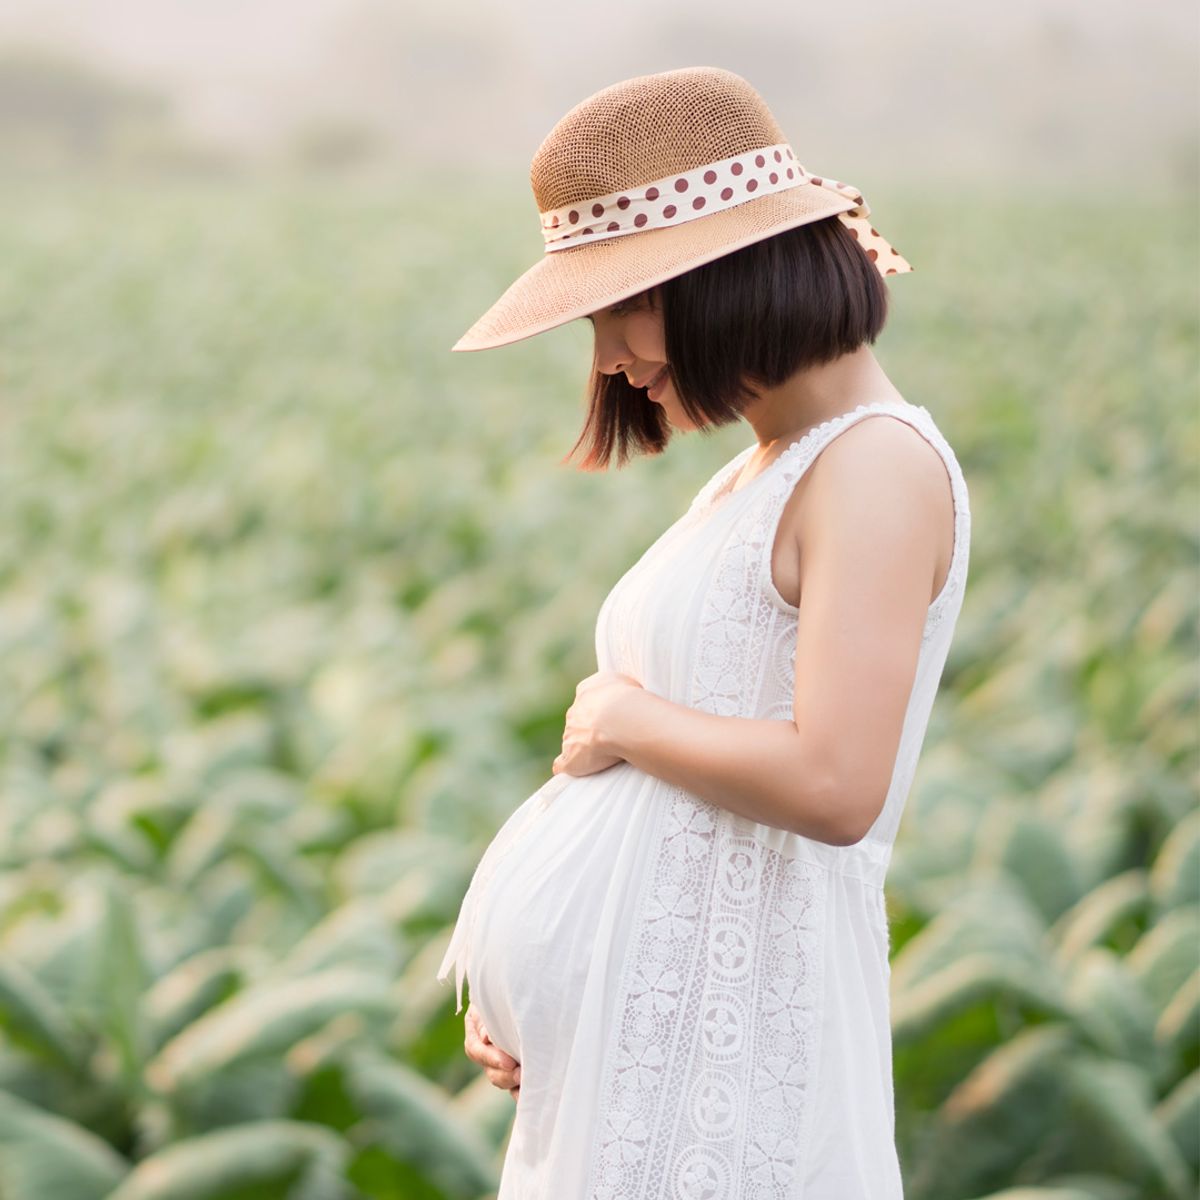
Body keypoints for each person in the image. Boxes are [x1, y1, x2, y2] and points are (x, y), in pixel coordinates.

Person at [437, 66, 971, 1198]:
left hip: (727, 1075)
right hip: (635, 1072)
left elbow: (834, 785)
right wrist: (541, 985)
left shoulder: (874, 466)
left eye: (616, 309)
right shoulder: (765, 469)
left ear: (718, 276)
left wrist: (626, 717)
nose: (610, 360)